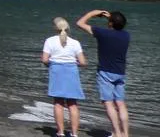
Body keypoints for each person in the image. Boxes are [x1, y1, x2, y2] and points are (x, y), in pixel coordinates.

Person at [78, 9, 131, 137]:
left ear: (110, 23)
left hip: (105, 72)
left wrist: (93, 13)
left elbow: (80, 23)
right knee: (120, 103)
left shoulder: (103, 33)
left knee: (108, 103)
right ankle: (126, 134)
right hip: (120, 72)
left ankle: (117, 133)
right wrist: (111, 19)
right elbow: (116, 26)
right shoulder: (126, 35)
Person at [42, 16, 86, 137]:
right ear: (67, 28)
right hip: (71, 71)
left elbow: (45, 59)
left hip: (56, 70)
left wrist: (50, 64)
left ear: (55, 28)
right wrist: (74, 63)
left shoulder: (49, 41)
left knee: (58, 103)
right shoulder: (75, 43)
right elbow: (83, 62)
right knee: (73, 104)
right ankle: (74, 133)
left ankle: (60, 132)